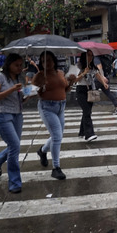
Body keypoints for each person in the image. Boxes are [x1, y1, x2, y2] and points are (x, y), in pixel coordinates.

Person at [32, 50, 76, 180]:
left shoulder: (60, 73)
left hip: (61, 107)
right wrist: (39, 88)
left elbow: (65, 89)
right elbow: (30, 92)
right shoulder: (39, 76)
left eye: (49, 60)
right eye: (43, 61)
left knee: (58, 136)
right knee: (57, 136)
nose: (47, 63)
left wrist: (72, 82)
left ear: (54, 61)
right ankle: (56, 168)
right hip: (47, 107)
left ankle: (42, 151)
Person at [0, 53, 26, 194]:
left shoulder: (18, 79)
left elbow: (19, 100)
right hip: (2, 115)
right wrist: (12, 89)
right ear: (9, 64)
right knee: (15, 146)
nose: (19, 68)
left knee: (14, 145)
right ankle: (14, 182)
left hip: (17, 115)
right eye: (16, 65)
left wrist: (29, 94)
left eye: (21, 65)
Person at [67, 51, 102, 142]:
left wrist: (104, 83)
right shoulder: (78, 66)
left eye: (91, 55)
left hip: (90, 90)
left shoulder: (92, 66)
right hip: (81, 90)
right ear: (84, 56)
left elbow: (98, 75)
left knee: (87, 111)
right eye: (88, 55)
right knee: (86, 111)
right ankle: (89, 134)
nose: (90, 57)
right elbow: (75, 80)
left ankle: (82, 132)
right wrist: (84, 73)